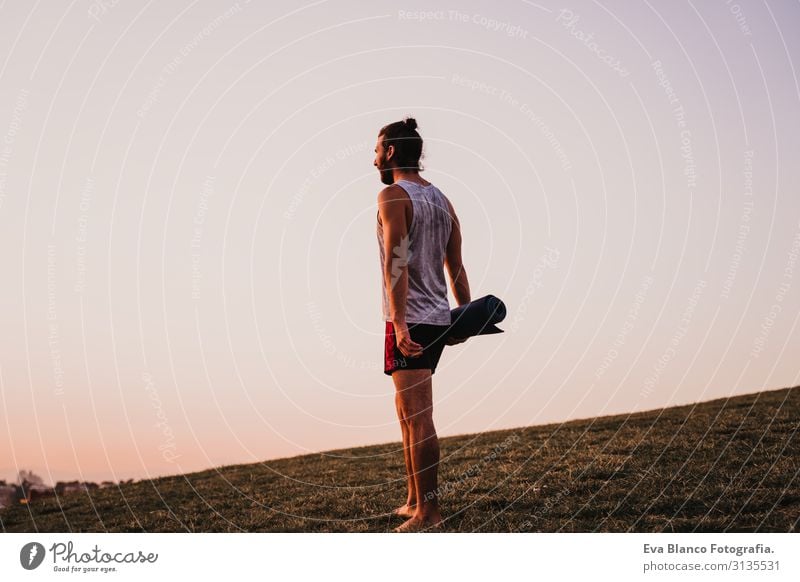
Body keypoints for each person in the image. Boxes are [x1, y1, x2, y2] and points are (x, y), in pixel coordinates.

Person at [374, 117, 471, 532]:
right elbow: (457, 265)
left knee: (418, 416)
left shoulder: (392, 195)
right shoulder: (443, 200)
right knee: (405, 411)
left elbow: (397, 260)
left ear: (391, 152)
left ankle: (429, 514)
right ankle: (414, 499)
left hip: (410, 319)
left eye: (377, 148)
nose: (374, 156)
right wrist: (465, 312)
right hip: (435, 318)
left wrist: (398, 324)